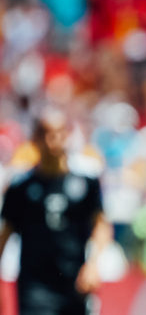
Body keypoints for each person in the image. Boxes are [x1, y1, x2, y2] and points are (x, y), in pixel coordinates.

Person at [0, 107, 111, 315]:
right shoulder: (20, 187)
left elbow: (101, 225)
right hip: (35, 287)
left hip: (75, 281)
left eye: (60, 133)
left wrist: (93, 265)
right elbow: (5, 234)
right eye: (48, 134)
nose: (55, 140)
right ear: (35, 139)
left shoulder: (86, 181)